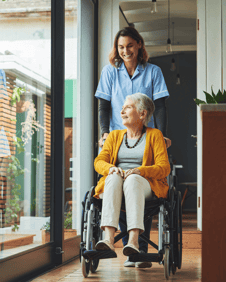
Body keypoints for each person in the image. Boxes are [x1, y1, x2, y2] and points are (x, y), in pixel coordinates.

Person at [95, 26, 171, 268]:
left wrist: (161, 135)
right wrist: (105, 134)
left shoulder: (153, 71)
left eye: (129, 45)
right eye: (120, 47)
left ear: (138, 45)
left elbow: (159, 105)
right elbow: (103, 106)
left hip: (145, 136)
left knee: (136, 180)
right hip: (120, 136)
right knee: (116, 179)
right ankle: (117, 242)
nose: (125, 50)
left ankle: (137, 248)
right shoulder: (110, 72)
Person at [93, 93, 170, 263]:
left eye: (127, 107)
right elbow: (99, 162)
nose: (122, 112)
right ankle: (108, 239)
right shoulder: (113, 136)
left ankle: (134, 242)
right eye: (122, 108)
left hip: (144, 184)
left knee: (132, 180)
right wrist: (111, 168)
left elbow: (164, 168)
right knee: (112, 177)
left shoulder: (155, 135)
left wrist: (140, 171)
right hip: (116, 184)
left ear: (142, 114)